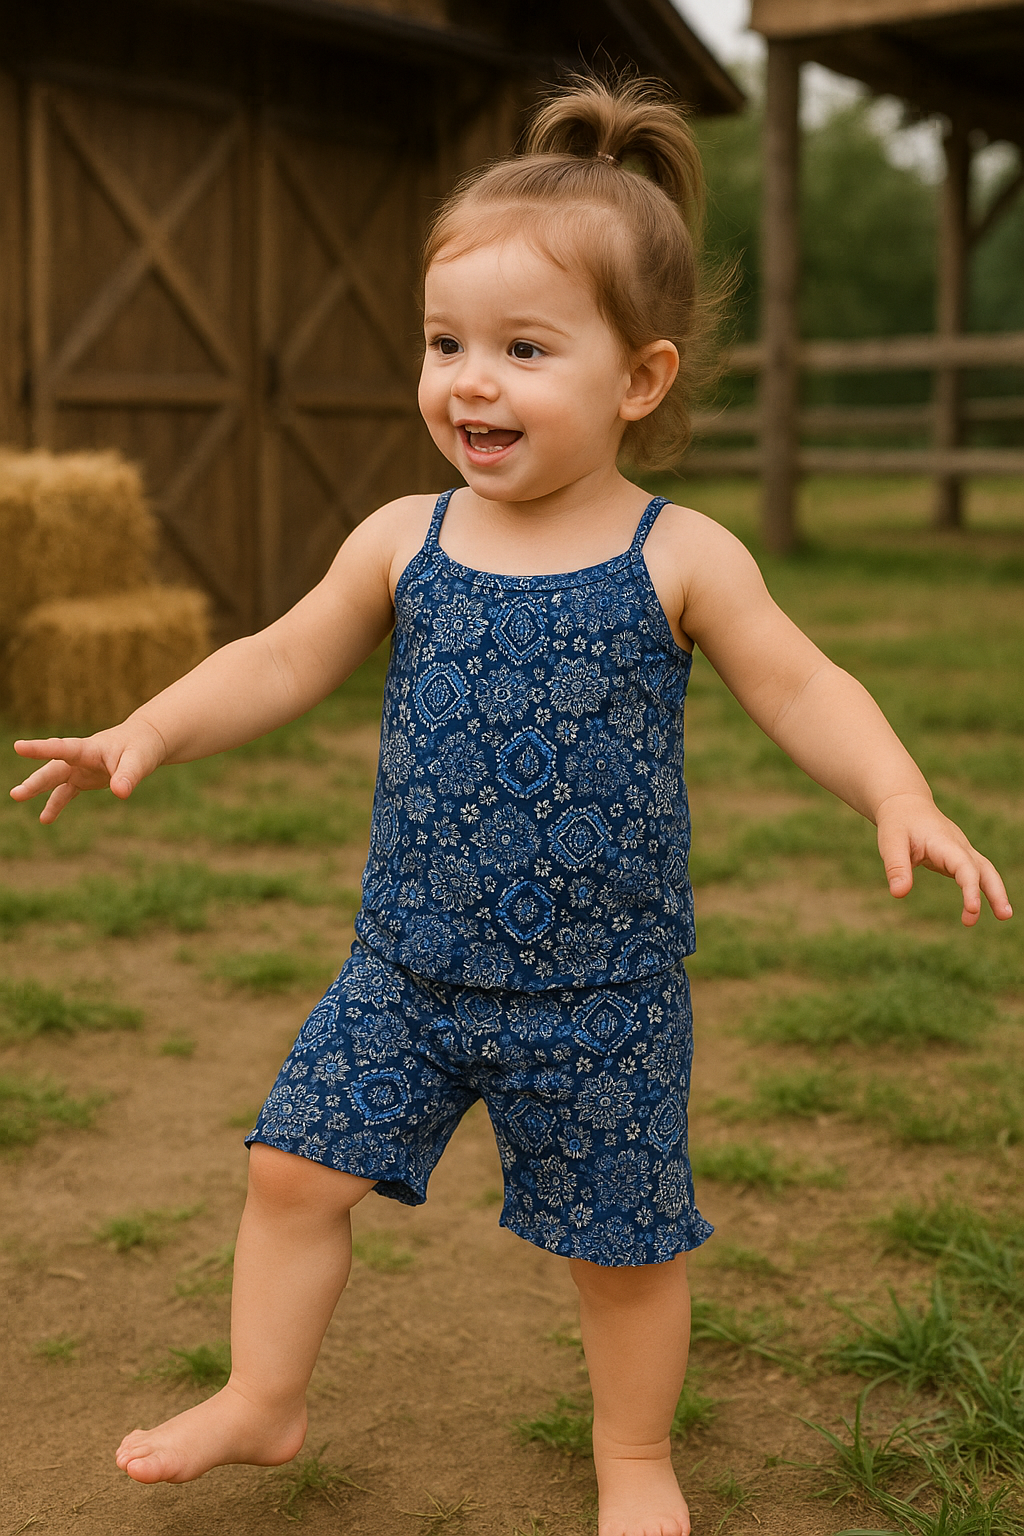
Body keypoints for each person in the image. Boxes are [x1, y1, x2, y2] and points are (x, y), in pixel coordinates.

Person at [10, 75, 1011, 1536]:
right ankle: (262, 1398)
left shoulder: (682, 556)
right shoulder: (401, 539)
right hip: (404, 970)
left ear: (641, 379)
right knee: (293, 1171)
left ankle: (635, 1461)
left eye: (523, 349)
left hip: (601, 994)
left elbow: (805, 685)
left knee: (624, 1251)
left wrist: (898, 786)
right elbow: (282, 655)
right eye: (446, 343)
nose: (470, 380)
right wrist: (149, 727)